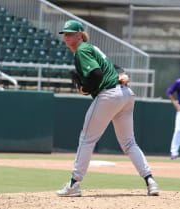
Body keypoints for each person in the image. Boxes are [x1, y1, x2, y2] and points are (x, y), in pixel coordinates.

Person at [56, 19, 159, 197]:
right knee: (129, 143)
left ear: (80, 35)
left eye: (70, 33)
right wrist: (121, 74)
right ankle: (150, 181)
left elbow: (96, 74)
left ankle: (74, 184)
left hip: (109, 95)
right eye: (65, 34)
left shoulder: (82, 50)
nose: (66, 36)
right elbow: (116, 68)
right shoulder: (92, 48)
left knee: (87, 139)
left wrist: (85, 88)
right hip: (126, 95)